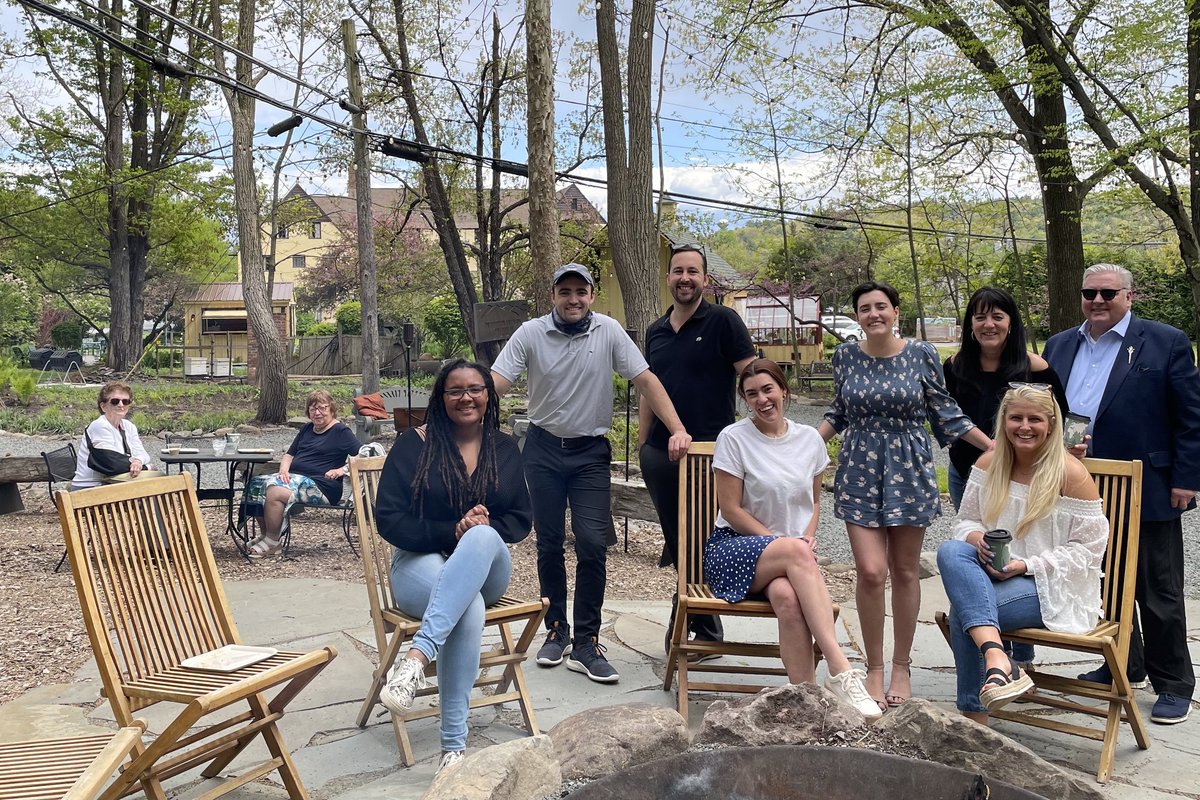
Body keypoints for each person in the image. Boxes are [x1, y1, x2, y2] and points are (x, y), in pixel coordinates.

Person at [491, 263, 692, 684]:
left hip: (589, 454)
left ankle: (587, 640)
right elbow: (496, 382)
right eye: (565, 292)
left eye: (581, 291)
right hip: (543, 449)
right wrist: (452, 419)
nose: (573, 299)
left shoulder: (609, 331)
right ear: (553, 297)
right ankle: (557, 631)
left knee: (591, 542)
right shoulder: (530, 333)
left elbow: (646, 379)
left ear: (592, 295)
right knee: (547, 542)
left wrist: (678, 429)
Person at [817, 281, 992, 712]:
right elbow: (839, 411)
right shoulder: (844, 356)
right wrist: (799, 450)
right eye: (864, 308)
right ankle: (874, 667)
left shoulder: (920, 354)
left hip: (908, 468)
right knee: (872, 572)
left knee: (907, 571)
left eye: (881, 306)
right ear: (857, 316)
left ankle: (901, 666)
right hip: (858, 467)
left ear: (896, 311)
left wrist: (994, 447)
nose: (873, 314)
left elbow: (945, 411)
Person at [1044, 263, 1200, 724]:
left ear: (1129, 297)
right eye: (1089, 292)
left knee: (1158, 588)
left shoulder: (1165, 342)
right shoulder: (1059, 345)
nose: (1097, 300)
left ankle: (1173, 682)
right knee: (1104, 582)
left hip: (1147, 484)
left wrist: (1187, 479)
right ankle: (1122, 666)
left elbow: (1191, 418)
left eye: (1108, 293)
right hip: (1079, 483)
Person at [373, 360, 531, 776]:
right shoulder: (414, 445)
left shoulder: (504, 448)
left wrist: (478, 529)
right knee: (468, 609)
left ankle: (417, 656)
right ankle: (453, 750)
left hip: (486, 566)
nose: (466, 398)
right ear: (440, 399)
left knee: (480, 537)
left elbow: (519, 520)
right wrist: (451, 530)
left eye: (475, 389)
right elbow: (389, 519)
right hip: (418, 566)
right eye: (455, 390)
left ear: (488, 395)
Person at [705, 359, 883, 720]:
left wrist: (806, 538)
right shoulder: (734, 438)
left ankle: (808, 700)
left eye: (768, 389)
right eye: (752, 394)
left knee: (788, 598)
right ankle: (841, 668)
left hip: (788, 559)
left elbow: (814, 501)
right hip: (734, 549)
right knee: (794, 553)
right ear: (744, 399)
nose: (762, 399)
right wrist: (782, 543)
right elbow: (732, 509)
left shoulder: (809, 441)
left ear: (784, 390)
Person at [937, 384, 1107, 723]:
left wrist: (1024, 565)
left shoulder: (1069, 473)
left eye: (1034, 419)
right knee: (951, 550)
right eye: (1016, 418)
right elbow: (965, 521)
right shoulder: (989, 463)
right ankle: (1000, 659)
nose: (1024, 426)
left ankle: (976, 718)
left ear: (1051, 424)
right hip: (994, 575)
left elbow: (1090, 550)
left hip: (1051, 586)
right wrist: (978, 538)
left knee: (964, 613)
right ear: (1004, 421)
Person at [641, 243, 757, 658]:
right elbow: (646, 387)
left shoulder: (724, 320)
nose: (685, 278)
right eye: (677, 271)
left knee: (701, 541)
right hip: (659, 455)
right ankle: (702, 629)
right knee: (677, 540)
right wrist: (642, 441)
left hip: (711, 453)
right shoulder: (655, 331)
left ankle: (697, 627)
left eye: (693, 271)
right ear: (668, 278)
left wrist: (756, 433)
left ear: (705, 279)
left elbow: (752, 375)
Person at [944, 286, 1069, 510]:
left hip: (1021, 474)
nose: (989, 324)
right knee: (970, 536)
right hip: (964, 471)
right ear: (971, 324)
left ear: (1011, 323)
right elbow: (946, 418)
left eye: (998, 317)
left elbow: (1060, 418)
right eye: (980, 317)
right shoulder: (955, 366)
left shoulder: (1035, 368)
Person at [245, 389, 361, 558]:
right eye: (313, 409)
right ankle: (266, 534)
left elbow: (364, 454)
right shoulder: (307, 429)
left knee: (274, 491)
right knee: (256, 484)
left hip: (322, 486)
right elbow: (289, 454)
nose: (317, 413)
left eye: (322, 408)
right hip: (296, 479)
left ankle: (273, 540)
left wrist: (341, 470)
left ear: (331, 409)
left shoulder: (341, 432)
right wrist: (283, 470)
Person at [72, 381, 156, 489]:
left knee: (156, 483)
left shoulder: (129, 426)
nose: (121, 405)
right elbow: (112, 463)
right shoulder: (99, 425)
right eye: (115, 401)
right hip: (91, 486)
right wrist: (146, 467)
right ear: (103, 407)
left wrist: (138, 461)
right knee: (153, 484)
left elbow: (143, 453)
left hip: (114, 482)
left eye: (125, 401)